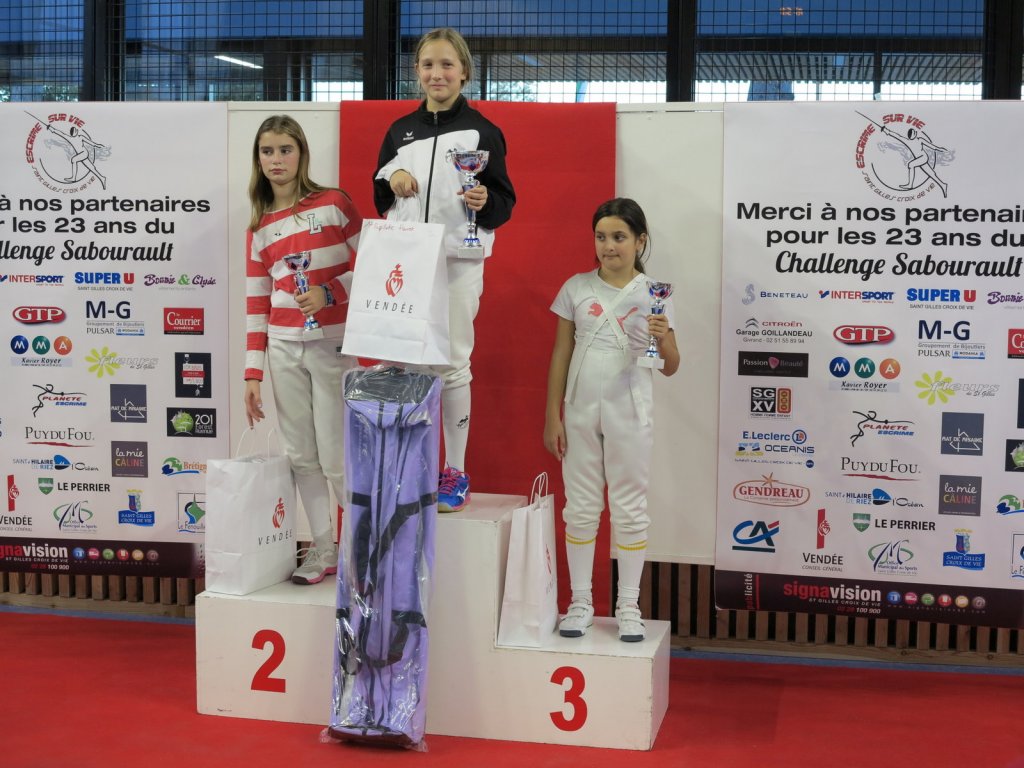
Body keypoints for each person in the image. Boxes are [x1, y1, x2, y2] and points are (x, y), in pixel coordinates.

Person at [372, 27, 516, 513]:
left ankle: (455, 470)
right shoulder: (399, 131)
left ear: (464, 72)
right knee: (409, 364)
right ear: (416, 71)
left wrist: (484, 200)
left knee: (453, 364)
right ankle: (413, 469)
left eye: (447, 65)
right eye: (429, 64)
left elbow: (504, 203)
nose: (438, 73)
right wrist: (393, 176)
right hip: (408, 262)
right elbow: (380, 194)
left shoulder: (482, 132)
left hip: (458, 261)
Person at [543, 198, 679, 642]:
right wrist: (552, 415)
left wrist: (663, 338)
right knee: (580, 506)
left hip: (631, 409)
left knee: (630, 507)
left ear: (640, 241)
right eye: (601, 237)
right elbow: (561, 353)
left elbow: (671, 364)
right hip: (579, 409)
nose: (608, 246)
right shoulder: (576, 288)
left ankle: (629, 605)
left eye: (619, 237)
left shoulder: (654, 293)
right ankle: (580, 602)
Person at [243, 114, 363, 585]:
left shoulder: (334, 203)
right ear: (258, 159)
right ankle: (323, 548)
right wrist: (252, 372)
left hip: (332, 342)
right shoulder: (259, 226)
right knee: (301, 456)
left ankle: (359, 550)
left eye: (285, 150)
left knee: (337, 456)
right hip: (283, 347)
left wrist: (330, 292)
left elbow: (373, 263)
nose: (276, 160)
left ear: (301, 154)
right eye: (267, 151)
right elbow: (257, 302)